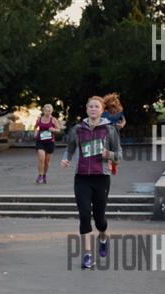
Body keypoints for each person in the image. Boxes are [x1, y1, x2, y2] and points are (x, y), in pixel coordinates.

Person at [61, 96, 122, 269]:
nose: (93, 109)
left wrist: (108, 154)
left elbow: (119, 155)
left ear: (102, 110)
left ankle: (102, 237)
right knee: (84, 215)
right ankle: (87, 254)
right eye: (91, 106)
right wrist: (66, 159)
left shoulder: (110, 130)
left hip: (101, 178)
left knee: (100, 219)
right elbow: (69, 149)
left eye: (97, 106)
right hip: (81, 178)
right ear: (86, 109)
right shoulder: (77, 129)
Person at [34, 104, 62, 184]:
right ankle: (40, 175)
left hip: (50, 142)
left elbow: (58, 130)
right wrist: (35, 132)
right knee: (41, 158)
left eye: (49, 111)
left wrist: (53, 129)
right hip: (40, 141)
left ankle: (44, 175)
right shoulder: (39, 119)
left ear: (51, 111)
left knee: (47, 162)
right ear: (43, 111)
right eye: (46, 111)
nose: (48, 112)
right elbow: (35, 127)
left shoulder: (53, 120)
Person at [102, 93, 126, 175]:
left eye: (115, 109)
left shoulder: (119, 112)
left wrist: (121, 125)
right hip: (105, 134)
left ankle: (114, 164)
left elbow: (124, 121)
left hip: (115, 133)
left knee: (116, 154)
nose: (114, 111)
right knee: (106, 149)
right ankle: (109, 162)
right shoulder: (104, 113)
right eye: (112, 109)